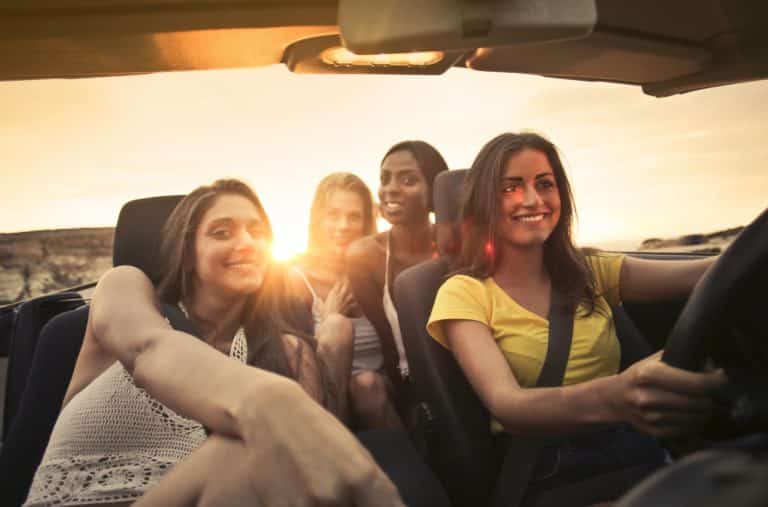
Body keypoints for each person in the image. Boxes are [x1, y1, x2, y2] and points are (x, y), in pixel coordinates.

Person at [24, 179, 402, 507]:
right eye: (222, 232)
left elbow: (303, 468)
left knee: (250, 454)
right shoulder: (125, 288)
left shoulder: (288, 351)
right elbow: (147, 348)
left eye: (257, 232)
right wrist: (267, 400)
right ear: (187, 253)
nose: (247, 243)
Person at [426, 132, 727, 506]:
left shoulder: (590, 271)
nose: (533, 199)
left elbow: (715, 274)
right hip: (552, 472)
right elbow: (508, 404)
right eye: (511, 188)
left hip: (641, 450)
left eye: (545, 184)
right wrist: (619, 394)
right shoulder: (463, 292)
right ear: (485, 204)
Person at [346, 141, 449, 421]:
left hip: (466, 372)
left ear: (434, 192)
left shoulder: (456, 244)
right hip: (408, 381)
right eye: (384, 179)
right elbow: (389, 343)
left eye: (408, 180)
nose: (390, 188)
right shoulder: (364, 256)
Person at [292, 172, 396, 428]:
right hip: (326, 403)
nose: (343, 225)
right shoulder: (295, 278)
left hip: (379, 399)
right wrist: (328, 321)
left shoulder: (380, 272)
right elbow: (291, 359)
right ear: (318, 220)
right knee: (337, 327)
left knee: (366, 386)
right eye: (333, 215)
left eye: (354, 217)